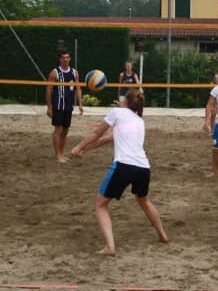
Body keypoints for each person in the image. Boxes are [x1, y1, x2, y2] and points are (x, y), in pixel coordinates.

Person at [70, 88, 169, 256]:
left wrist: (78, 146)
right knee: (144, 201)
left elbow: (97, 133)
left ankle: (110, 247)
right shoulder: (139, 121)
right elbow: (109, 138)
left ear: (126, 101)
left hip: (124, 166)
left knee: (100, 205)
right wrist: (85, 150)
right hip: (144, 168)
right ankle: (162, 235)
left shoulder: (116, 112)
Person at [46, 50, 83, 163]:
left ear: (70, 59)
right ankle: (58, 155)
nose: (66, 59)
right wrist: (49, 106)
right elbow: (49, 90)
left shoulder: (74, 72)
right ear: (60, 59)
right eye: (63, 57)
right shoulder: (55, 73)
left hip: (68, 106)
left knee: (65, 130)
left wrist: (80, 104)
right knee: (58, 130)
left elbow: (78, 88)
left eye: (67, 57)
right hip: (58, 105)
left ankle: (62, 153)